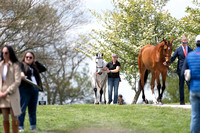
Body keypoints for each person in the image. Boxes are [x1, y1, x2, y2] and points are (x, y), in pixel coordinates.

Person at [18, 52, 47, 132]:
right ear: (24, 57)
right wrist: (21, 73)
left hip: (35, 89)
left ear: (33, 59)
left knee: (32, 110)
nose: (28, 59)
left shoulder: (35, 67)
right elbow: (19, 70)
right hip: (25, 89)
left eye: (31, 57)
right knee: (22, 109)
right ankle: (20, 127)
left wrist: (36, 62)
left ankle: (33, 127)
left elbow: (44, 69)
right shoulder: (21, 64)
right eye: (27, 57)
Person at [0, 46, 21, 133]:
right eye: (2, 53)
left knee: (14, 116)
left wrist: (7, 92)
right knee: (5, 117)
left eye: (6, 53)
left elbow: (17, 81)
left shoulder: (16, 65)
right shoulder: (0, 65)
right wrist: (1, 92)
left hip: (12, 93)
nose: (4, 55)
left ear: (10, 53)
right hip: (1, 93)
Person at [182, 35, 200, 133]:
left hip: (193, 89)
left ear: (195, 43)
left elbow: (183, 72)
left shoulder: (190, 55)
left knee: (195, 116)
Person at [169, 36, 193, 105]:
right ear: (181, 42)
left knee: (189, 85)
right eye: (183, 42)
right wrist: (168, 62)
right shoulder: (178, 50)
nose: (185, 43)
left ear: (187, 42)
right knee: (181, 85)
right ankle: (182, 102)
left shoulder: (190, 49)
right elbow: (173, 58)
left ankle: (192, 101)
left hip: (188, 70)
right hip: (180, 70)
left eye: (186, 42)